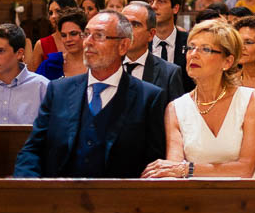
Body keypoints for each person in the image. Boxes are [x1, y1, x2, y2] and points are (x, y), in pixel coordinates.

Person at [15, 10, 166, 178]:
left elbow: (154, 165)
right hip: (61, 197)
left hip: (119, 199)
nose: (88, 42)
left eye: (99, 36)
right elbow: (33, 149)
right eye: (86, 34)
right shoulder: (58, 91)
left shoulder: (149, 98)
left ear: (123, 45)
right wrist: (29, 190)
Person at [142, 19, 255, 179]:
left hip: (251, 195)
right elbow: (173, 168)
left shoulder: (251, 100)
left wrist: (187, 169)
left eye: (205, 49)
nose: (194, 54)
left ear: (227, 61)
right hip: (198, 198)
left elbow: (245, 169)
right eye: (191, 48)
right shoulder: (175, 108)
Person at [121, 1, 184, 106]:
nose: (127, 30)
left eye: (135, 25)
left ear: (151, 34)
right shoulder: (106, 67)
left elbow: (176, 118)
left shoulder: (169, 73)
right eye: (123, 23)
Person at [148, 0, 190, 88]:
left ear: (175, 8)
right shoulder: (141, 42)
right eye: (151, 1)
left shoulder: (190, 43)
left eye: (161, 1)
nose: (153, 6)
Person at [27, 0, 77, 72]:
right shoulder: (42, 44)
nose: (53, 16)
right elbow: (33, 79)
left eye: (58, 11)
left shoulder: (82, 40)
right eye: (50, 13)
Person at [36, 8, 88, 81]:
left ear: (85, 34)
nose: (68, 39)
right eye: (63, 35)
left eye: (73, 34)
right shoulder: (50, 65)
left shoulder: (97, 63)